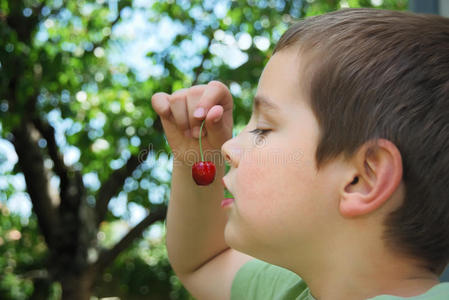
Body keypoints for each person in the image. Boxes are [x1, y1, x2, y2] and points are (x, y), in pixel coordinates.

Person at [151, 8, 449, 300]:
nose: (228, 149)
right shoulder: (288, 292)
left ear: (361, 178)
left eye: (264, 129)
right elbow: (202, 262)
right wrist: (200, 151)